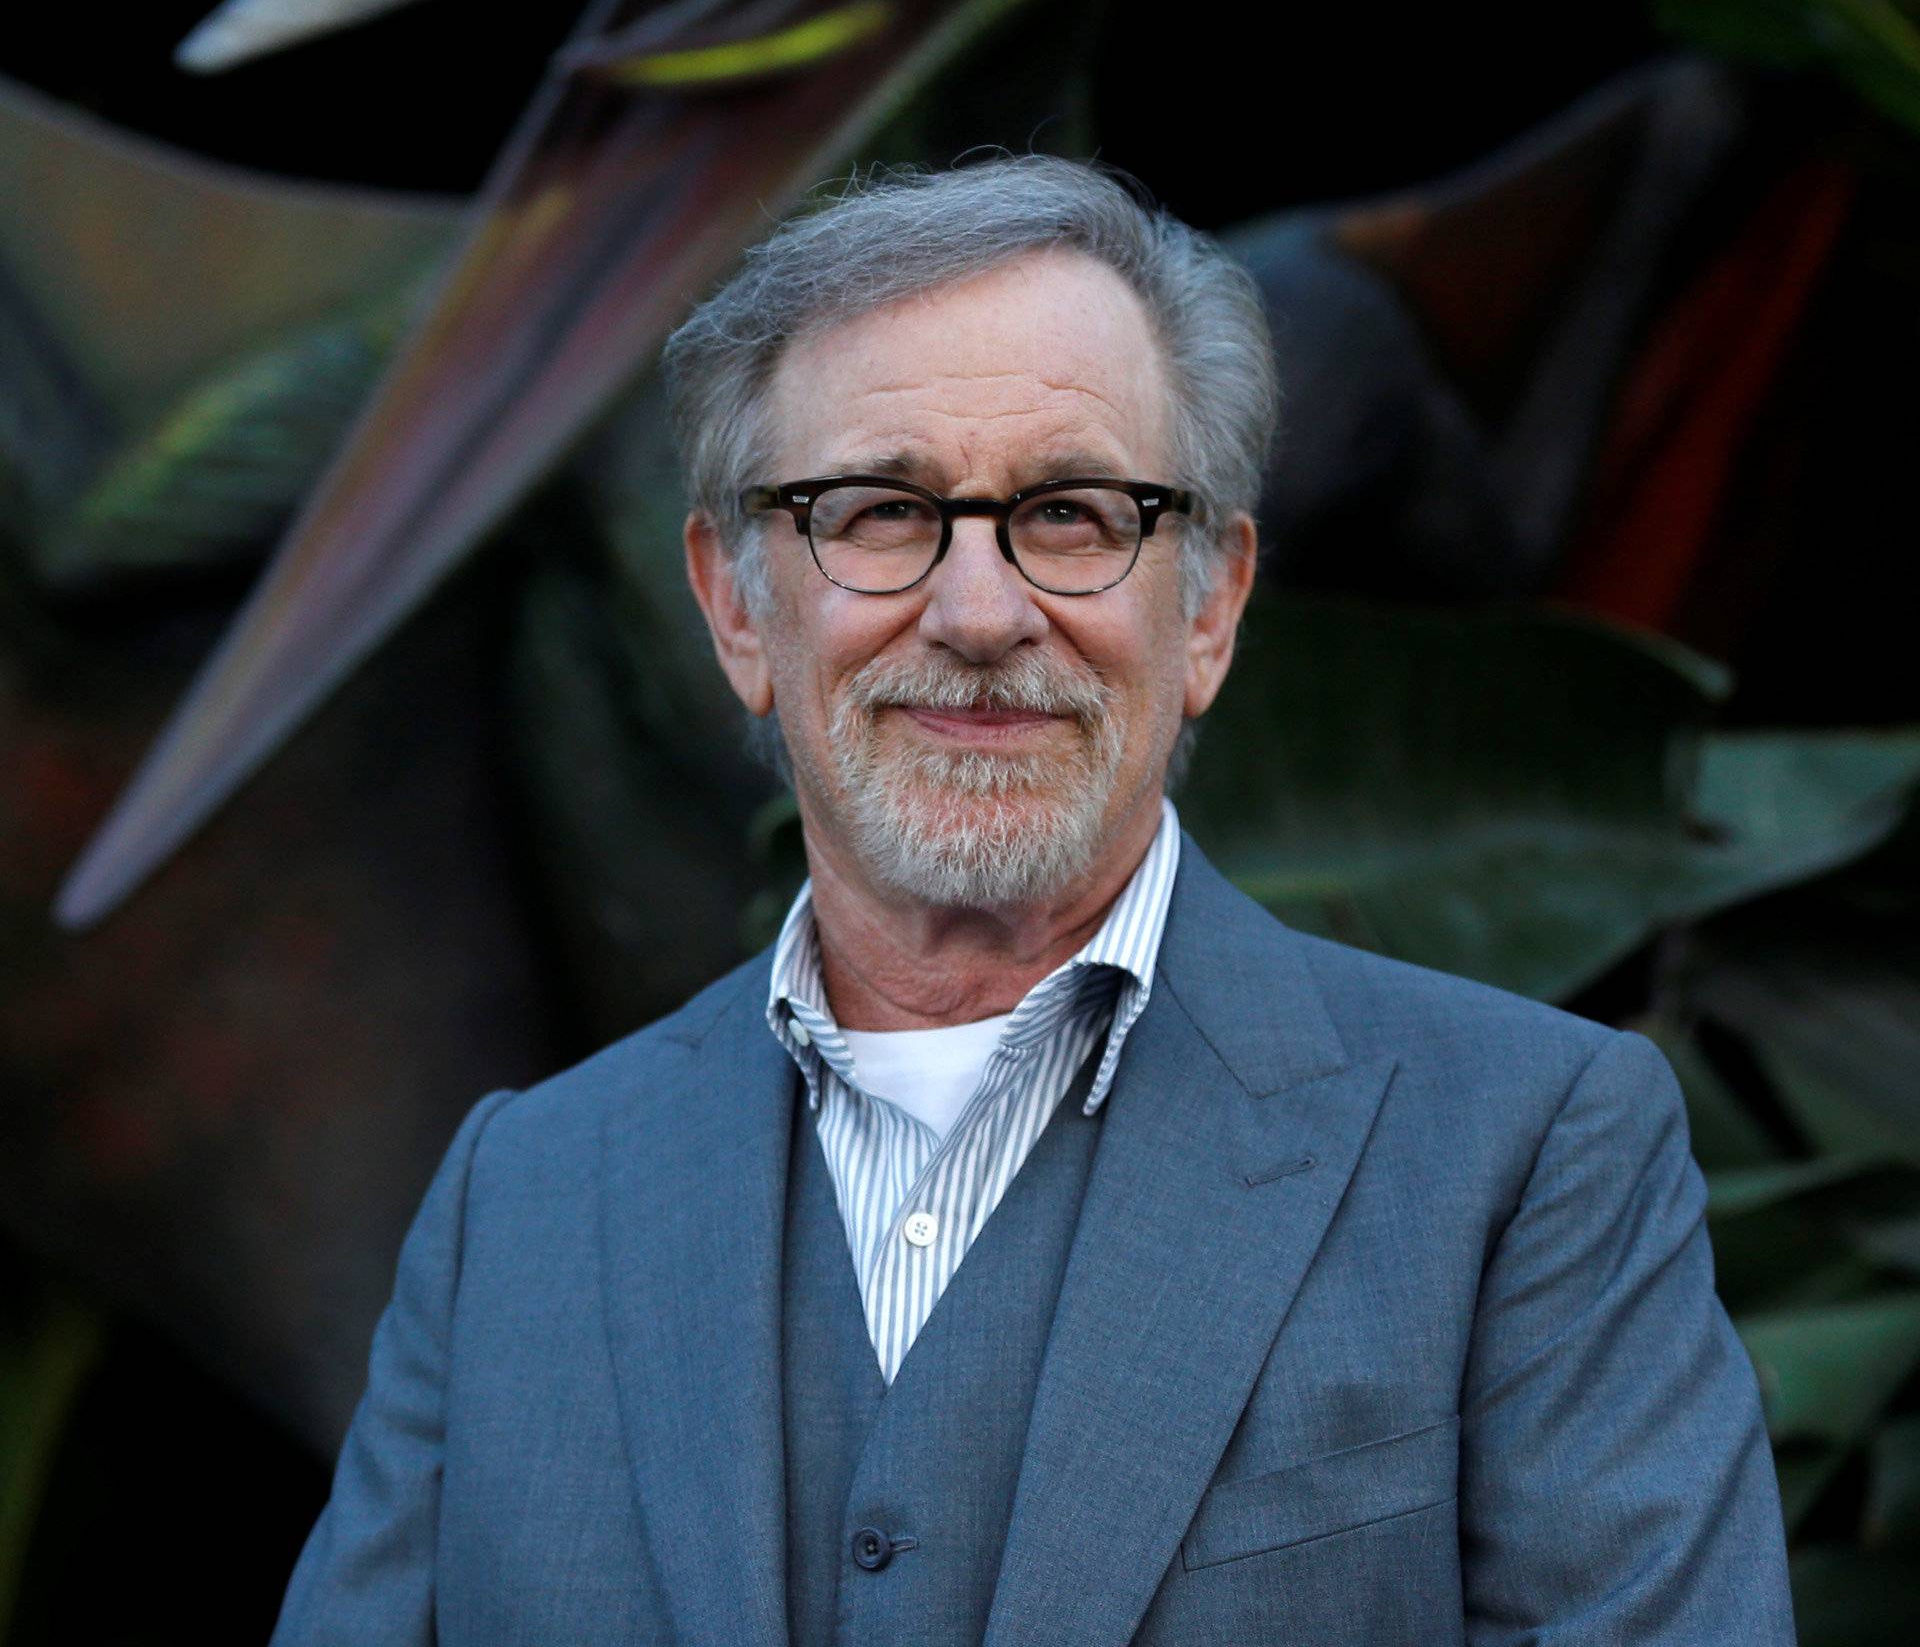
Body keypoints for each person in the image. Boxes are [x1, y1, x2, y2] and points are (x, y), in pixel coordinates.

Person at [269, 156, 1795, 1645]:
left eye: (1072, 514)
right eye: (877, 510)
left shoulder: (1526, 1158)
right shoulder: (519, 1202)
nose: (983, 612)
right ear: (738, 607)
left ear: (1207, 605)